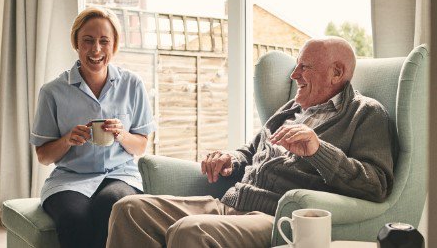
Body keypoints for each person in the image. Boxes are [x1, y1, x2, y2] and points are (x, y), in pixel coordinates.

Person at [106, 37, 397, 248]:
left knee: (191, 231)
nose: (294, 75)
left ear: (337, 72)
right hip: (231, 203)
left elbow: (377, 184)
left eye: (304, 67)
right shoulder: (291, 109)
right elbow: (251, 150)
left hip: (276, 216)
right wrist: (230, 159)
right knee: (129, 209)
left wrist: (318, 150)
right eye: (296, 67)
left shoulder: (365, 113)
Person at [30, 7, 156, 248]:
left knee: (113, 205)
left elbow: (140, 145)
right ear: (76, 43)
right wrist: (67, 140)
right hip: (69, 179)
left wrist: (121, 135)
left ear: (114, 45)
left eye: (104, 41)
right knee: (72, 217)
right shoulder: (52, 92)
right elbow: (44, 156)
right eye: (87, 41)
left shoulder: (133, 84)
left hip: (119, 175)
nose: (96, 49)